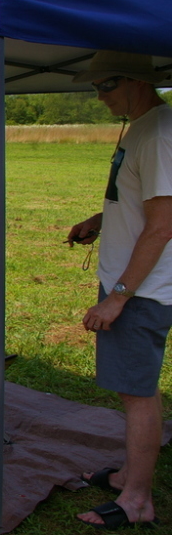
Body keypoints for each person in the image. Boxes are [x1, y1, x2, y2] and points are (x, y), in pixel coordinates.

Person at [65, 52, 172, 530]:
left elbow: (163, 225)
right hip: (135, 283)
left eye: (105, 86)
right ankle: (131, 473)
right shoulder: (146, 128)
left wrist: (119, 296)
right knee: (133, 389)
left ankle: (137, 499)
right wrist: (100, 220)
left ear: (134, 80)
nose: (100, 96)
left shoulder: (161, 134)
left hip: (143, 290)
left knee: (137, 393)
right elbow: (141, 205)